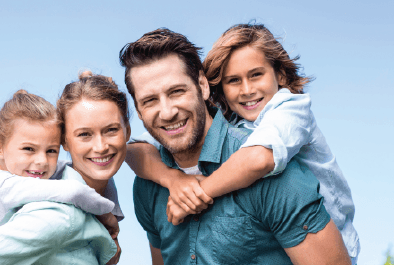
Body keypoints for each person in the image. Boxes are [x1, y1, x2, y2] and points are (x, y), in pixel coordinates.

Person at [125, 23, 359, 264]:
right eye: (150, 100)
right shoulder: (148, 185)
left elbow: (259, 160)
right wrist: (172, 179)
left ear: (203, 86)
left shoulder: (272, 153)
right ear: (139, 111)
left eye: (176, 91)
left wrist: (199, 191)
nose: (167, 112)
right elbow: (130, 149)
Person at [0, 72, 130, 264]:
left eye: (51, 151)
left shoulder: (46, 176)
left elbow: (88, 176)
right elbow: (74, 191)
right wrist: (106, 213)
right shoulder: (6, 187)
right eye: (84, 134)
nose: (42, 162)